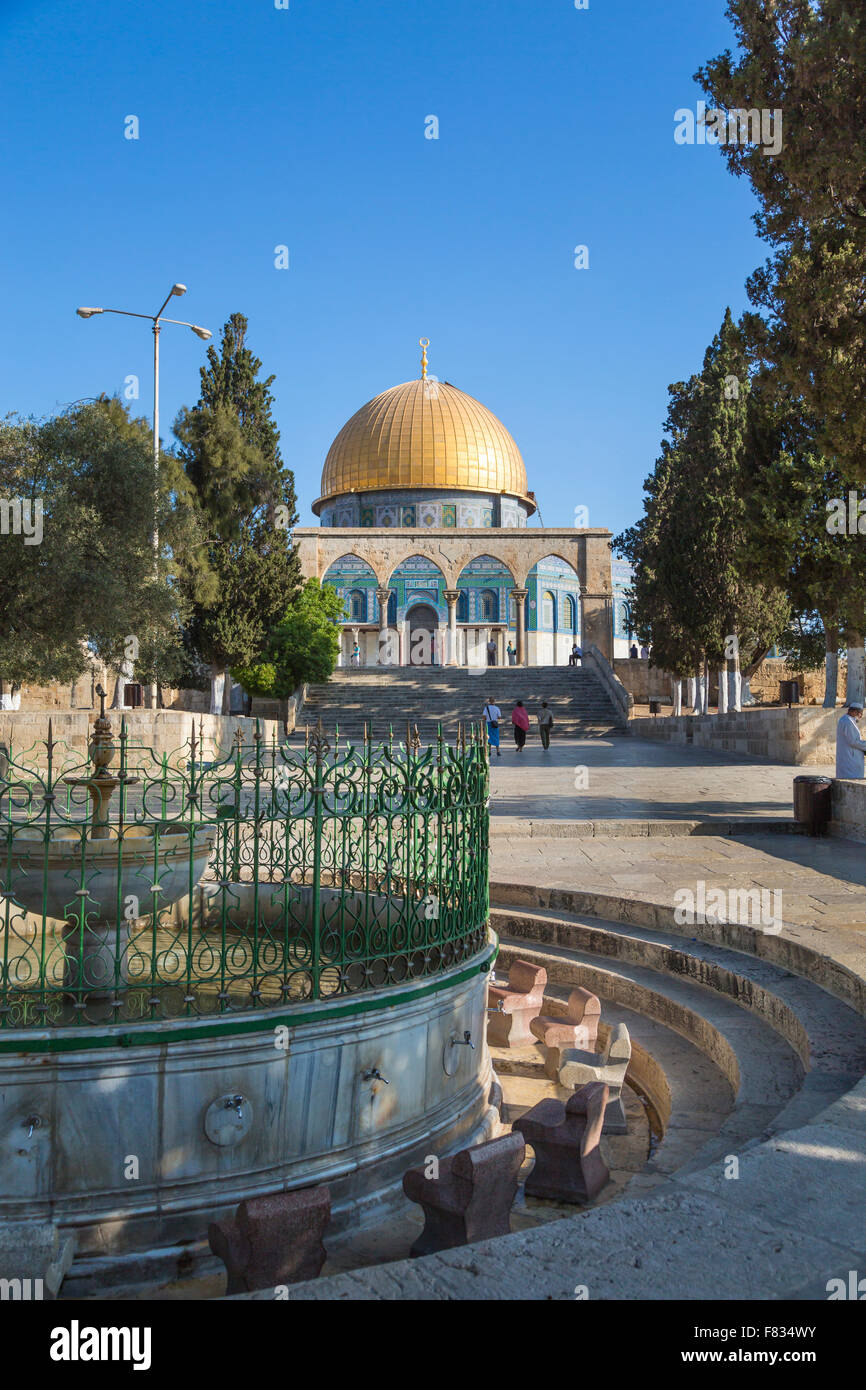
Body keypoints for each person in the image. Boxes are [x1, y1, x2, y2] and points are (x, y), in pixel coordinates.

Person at [836, 705, 866, 778]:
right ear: (854, 712)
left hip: (850, 755)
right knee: (851, 777)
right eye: (860, 714)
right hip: (850, 757)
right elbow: (853, 741)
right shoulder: (848, 722)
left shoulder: (847, 720)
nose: (861, 716)